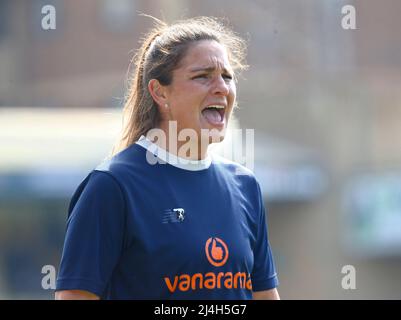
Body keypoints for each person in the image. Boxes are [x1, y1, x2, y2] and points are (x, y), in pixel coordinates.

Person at [55, 16, 280, 300]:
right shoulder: (112, 187)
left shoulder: (246, 186)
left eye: (227, 76)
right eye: (203, 76)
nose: (222, 87)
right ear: (160, 92)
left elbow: (264, 295)